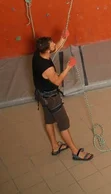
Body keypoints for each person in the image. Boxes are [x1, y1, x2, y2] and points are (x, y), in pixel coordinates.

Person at [32, 32, 94, 161]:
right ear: (48, 50)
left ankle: (55, 147)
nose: (54, 44)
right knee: (63, 125)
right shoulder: (47, 68)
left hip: (42, 96)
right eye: (52, 44)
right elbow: (58, 81)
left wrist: (63, 38)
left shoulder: (38, 54)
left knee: (49, 121)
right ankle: (75, 152)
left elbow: (55, 48)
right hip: (52, 99)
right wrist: (68, 67)